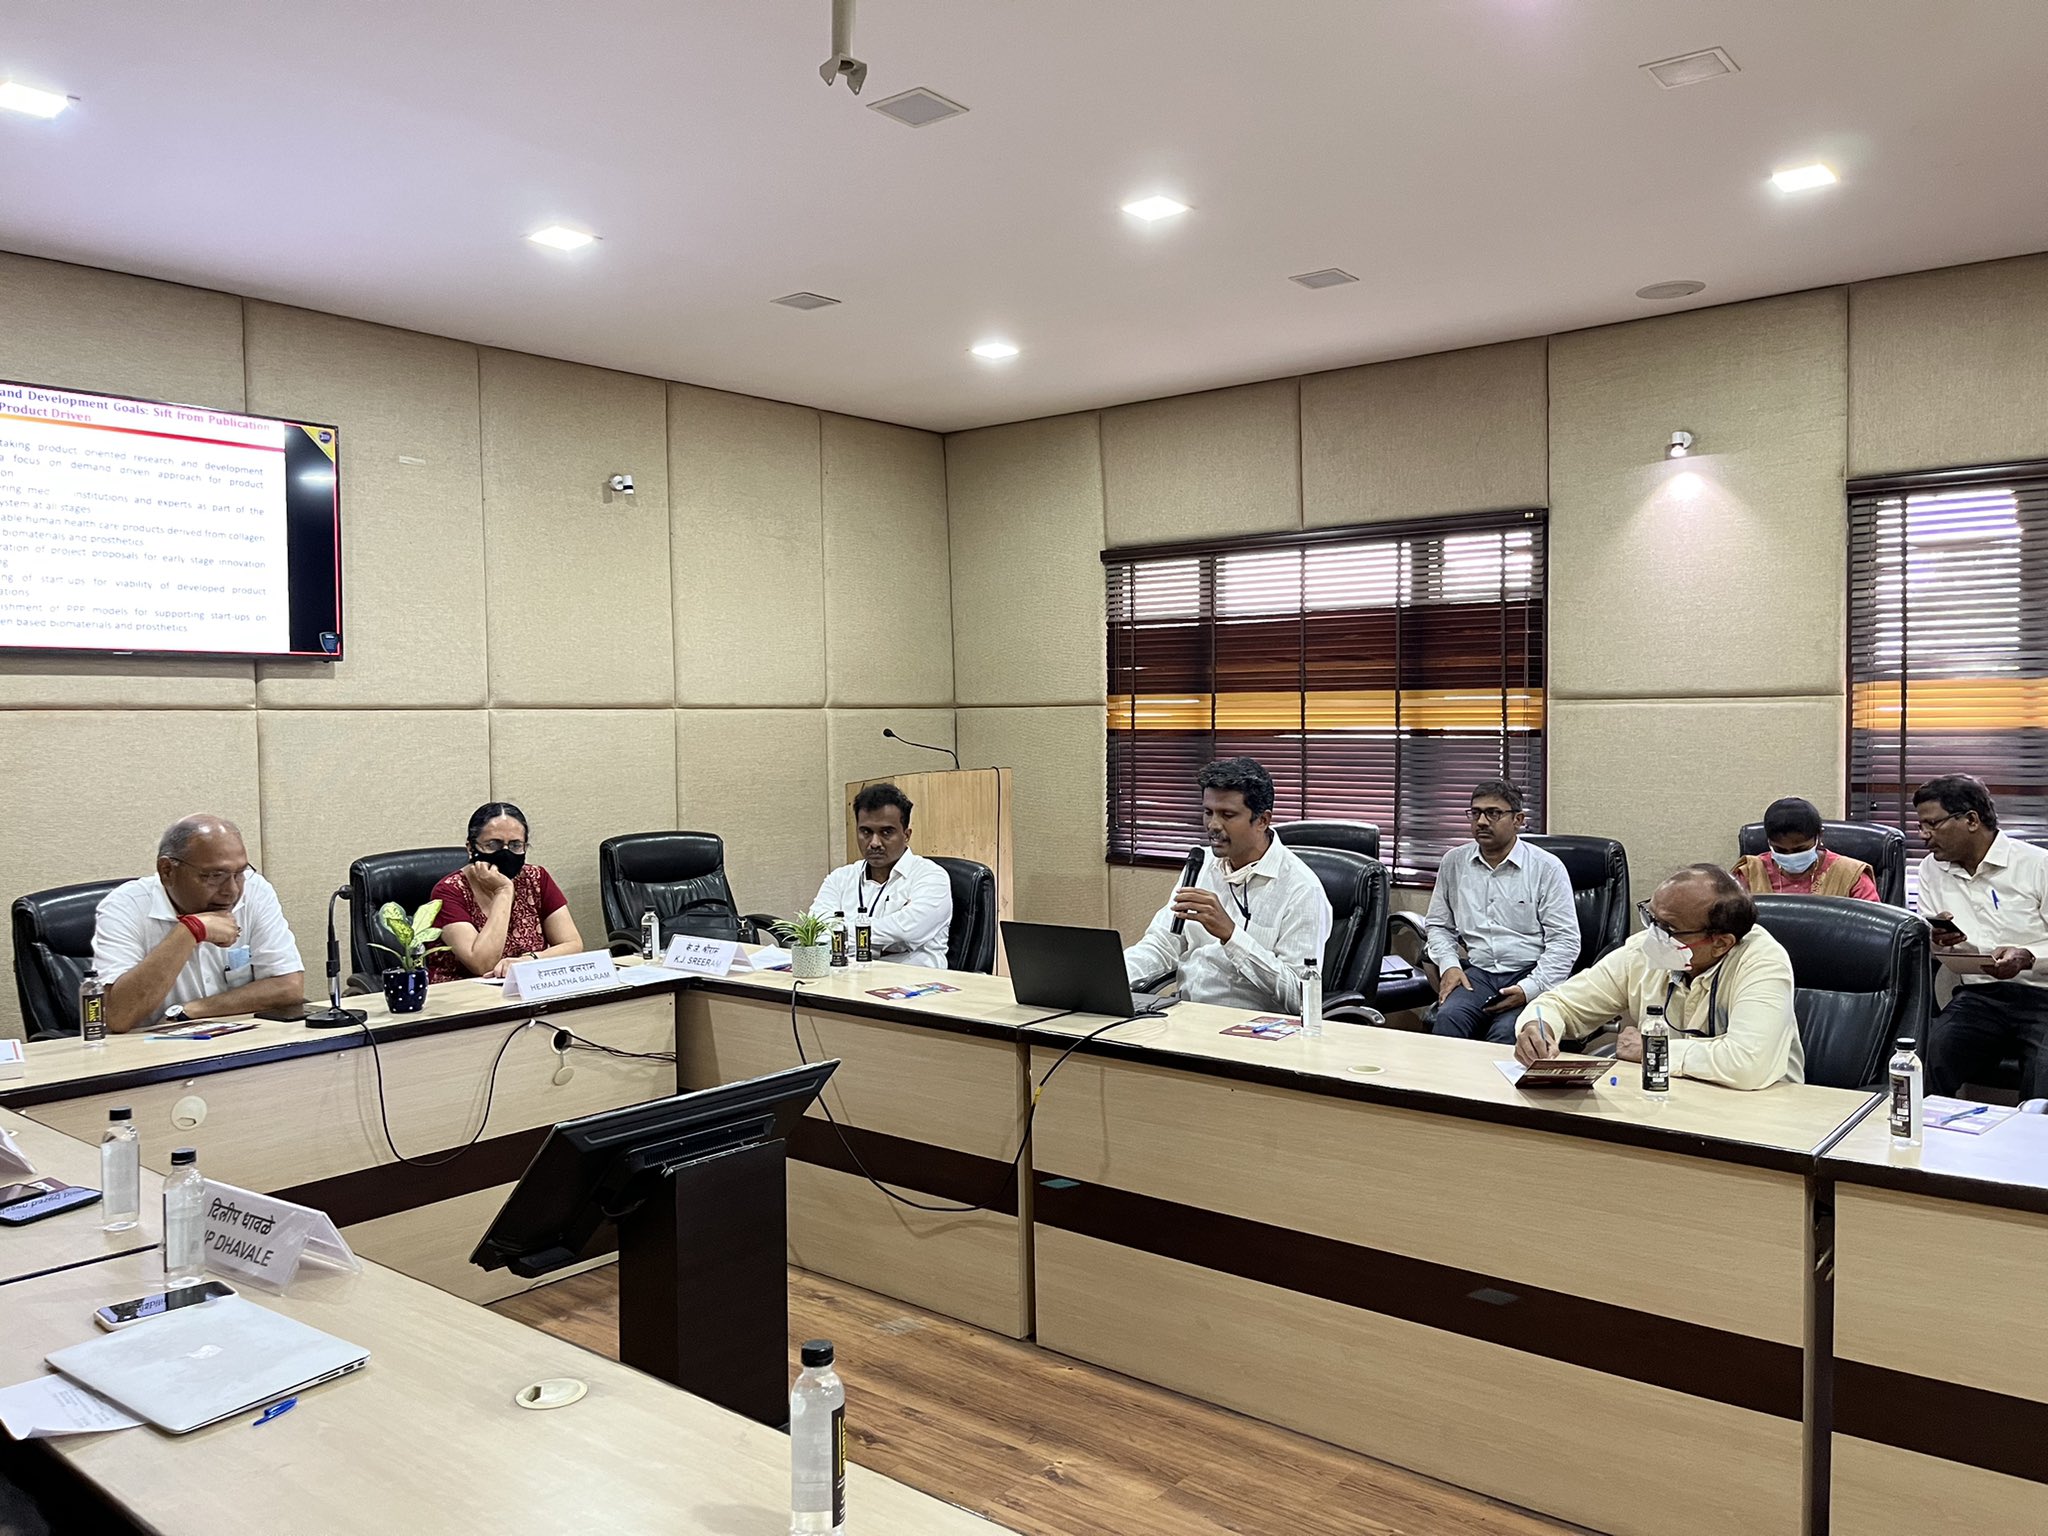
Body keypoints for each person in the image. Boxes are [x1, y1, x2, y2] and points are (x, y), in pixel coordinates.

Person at [1514, 864, 1803, 1089]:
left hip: (1759, 1111)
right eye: (1650, 917)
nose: (1653, 933)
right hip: (1664, 1097)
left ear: (1720, 943)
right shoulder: (1645, 949)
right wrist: (1539, 1027)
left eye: (1668, 927)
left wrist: (1653, 1050)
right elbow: (1559, 1004)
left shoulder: (1762, 961)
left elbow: (1748, 1063)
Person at [1123, 757, 1333, 1013]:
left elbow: (1300, 996)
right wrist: (1111, 977)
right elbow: (1162, 946)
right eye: (1208, 812)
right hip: (1185, 1015)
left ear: (1262, 820)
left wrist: (1232, 936)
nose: (1213, 825)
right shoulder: (1200, 865)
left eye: (1227, 815)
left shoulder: (1302, 889)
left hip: (1253, 1027)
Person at [92, 814, 306, 1033]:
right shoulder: (124, 906)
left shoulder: (255, 890)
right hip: (149, 1048)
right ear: (167, 871)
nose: (232, 890)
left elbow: (288, 987)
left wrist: (193, 1011)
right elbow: (117, 1017)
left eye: (239, 873)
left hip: (240, 1041)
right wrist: (189, 932)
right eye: (215, 876)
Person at [1911, 774, 2048, 1100]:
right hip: (1980, 997)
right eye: (1920, 825)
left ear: (1971, 820)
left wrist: (2028, 957)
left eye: (1932, 824)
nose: (1924, 835)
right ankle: (1924, 1130)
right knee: (1928, 1057)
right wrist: (1937, 940)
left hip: (2043, 997)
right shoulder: (1931, 869)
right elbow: (1932, 941)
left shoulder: (2037, 865)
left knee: (2043, 1077)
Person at [1425, 779, 1579, 1044]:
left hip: (1530, 971)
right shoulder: (1454, 862)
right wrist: (1449, 965)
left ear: (1518, 820)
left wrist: (1529, 988)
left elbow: (1565, 941)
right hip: (1479, 973)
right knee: (1449, 1019)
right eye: (1475, 813)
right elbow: (1438, 925)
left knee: (1509, 1032)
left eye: (1493, 813)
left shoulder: (1546, 868)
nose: (1482, 822)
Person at [427, 802, 584, 982]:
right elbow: (482, 965)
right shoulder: (449, 891)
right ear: (471, 848)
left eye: (516, 845)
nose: (505, 853)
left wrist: (529, 960)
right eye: (493, 844)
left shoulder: (536, 878)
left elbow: (572, 944)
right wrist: (503, 891)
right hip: (464, 991)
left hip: (526, 986)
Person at [810, 782, 952, 967]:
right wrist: (886, 943)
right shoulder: (840, 879)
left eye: (886, 832)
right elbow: (816, 932)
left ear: (906, 835)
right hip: (848, 977)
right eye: (866, 832)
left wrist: (841, 935)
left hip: (911, 979)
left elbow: (906, 932)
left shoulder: (931, 877)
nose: (874, 843)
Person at [1732, 797, 1880, 901]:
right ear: (1769, 842)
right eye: (1780, 850)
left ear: (1818, 836)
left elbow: (1871, 928)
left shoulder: (1851, 875)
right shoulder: (1749, 873)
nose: (1791, 856)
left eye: (1800, 849)